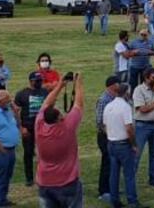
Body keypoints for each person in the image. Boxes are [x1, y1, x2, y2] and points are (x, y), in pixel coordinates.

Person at [35, 72, 86, 207]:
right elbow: (79, 104)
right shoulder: (67, 127)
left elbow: (46, 103)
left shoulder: (39, 125)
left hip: (45, 182)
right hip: (67, 182)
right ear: (59, 119)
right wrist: (78, 84)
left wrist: (60, 86)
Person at [104, 83, 141, 208]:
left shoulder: (108, 106)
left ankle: (115, 200)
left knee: (114, 174)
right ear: (126, 93)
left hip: (111, 143)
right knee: (129, 174)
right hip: (123, 144)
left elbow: (104, 125)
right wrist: (134, 144)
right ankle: (132, 201)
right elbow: (129, 128)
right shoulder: (125, 107)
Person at [133, 67, 154, 187]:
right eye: (153, 77)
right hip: (142, 125)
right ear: (146, 78)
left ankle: (153, 179)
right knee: (137, 154)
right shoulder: (138, 90)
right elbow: (143, 109)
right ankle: (131, 180)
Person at [14, 71, 48, 186]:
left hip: (43, 127)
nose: (39, 83)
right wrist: (21, 127)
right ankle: (29, 178)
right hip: (28, 127)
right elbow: (16, 111)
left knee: (44, 152)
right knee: (28, 152)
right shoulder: (22, 94)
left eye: (40, 81)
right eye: (37, 81)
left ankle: (44, 175)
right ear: (31, 81)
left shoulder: (45, 92)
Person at [95, 75, 121, 203]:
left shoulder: (116, 98)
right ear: (112, 86)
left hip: (113, 135)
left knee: (113, 162)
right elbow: (100, 121)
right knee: (107, 162)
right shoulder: (104, 100)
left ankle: (112, 187)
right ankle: (103, 190)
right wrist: (110, 134)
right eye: (117, 84)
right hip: (105, 136)